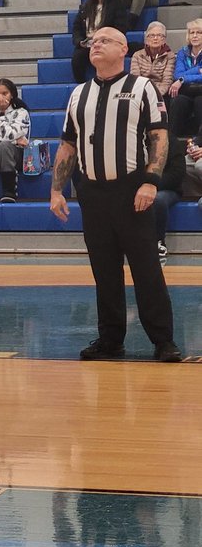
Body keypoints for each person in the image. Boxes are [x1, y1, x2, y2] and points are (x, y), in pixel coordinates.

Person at [50, 27, 181, 362]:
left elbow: (159, 137)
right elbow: (68, 144)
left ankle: (163, 341)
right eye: (93, 41)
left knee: (147, 269)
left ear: (123, 49)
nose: (96, 44)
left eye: (104, 40)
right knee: (104, 271)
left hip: (131, 190)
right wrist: (56, 189)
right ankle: (110, 339)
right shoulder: (78, 93)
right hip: (92, 193)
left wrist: (151, 181)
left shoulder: (143, 87)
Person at [71, 0, 128, 82]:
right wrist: (80, 42)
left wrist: (105, 39)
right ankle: (82, 86)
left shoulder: (116, 4)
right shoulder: (86, 6)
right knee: (77, 58)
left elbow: (120, 28)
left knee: (105, 55)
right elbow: (76, 27)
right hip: (87, 42)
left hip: (107, 42)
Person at [150, 131, 186, 262]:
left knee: (157, 200)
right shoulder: (134, 139)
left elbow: (177, 174)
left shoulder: (171, 140)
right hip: (138, 186)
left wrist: (151, 185)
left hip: (168, 189)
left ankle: (158, 242)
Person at [167, 21, 202, 137]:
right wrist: (197, 70)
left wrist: (182, 79)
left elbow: (181, 77)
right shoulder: (183, 52)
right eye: (192, 33)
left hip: (199, 91)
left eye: (199, 32)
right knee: (178, 101)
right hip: (185, 90)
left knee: (199, 101)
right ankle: (172, 141)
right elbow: (177, 75)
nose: (195, 36)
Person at [129, 22, 174, 100]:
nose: (155, 38)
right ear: (146, 39)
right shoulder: (137, 55)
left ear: (164, 39)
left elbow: (167, 81)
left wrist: (155, 95)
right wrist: (143, 95)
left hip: (161, 94)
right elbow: (135, 79)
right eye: (152, 35)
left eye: (159, 35)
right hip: (141, 92)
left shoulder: (170, 56)